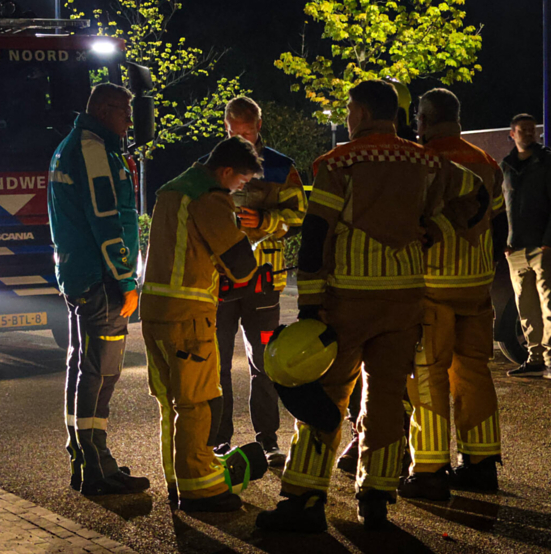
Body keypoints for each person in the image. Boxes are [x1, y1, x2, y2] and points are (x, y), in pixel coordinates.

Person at [256, 80, 487, 532]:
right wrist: (437, 228)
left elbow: (316, 236)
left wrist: (311, 304)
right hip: (404, 302)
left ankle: (305, 498)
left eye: (348, 109)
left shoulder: (339, 163)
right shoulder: (425, 161)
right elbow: (477, 195)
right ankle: (377, 495)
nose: (346, 116)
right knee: (384, 399)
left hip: (349, 302)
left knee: (323, 396)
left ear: (359, 112)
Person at [140, 136, 265, 513]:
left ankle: (177, 482)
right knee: (198, 403)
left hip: (155, 312)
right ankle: (201, 491)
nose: (239, 190)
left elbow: (186, 251)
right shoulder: (208, 197)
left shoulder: (170, 192)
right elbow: (239, 263)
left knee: (171, 405)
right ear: (225, 171)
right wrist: (254, 247)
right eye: (240, 182)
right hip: (188, 318)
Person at [400, 88, 507, 501]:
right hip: (476, 287)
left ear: (424, 121)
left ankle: (428, 469)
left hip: (432, 287)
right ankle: (481, 465)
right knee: (474, 374)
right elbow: (498, 223)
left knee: (427, 377)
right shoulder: (485, 161)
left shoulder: (423, 162)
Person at [47, 83, 149, 496]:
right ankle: (96, 467)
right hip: (102, 281)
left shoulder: (71, 146)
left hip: (80, 276)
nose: (129, 122)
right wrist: (127, 281)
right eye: (126, 113)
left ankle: (85, 458)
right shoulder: (92, 151)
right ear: (107, 110)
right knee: (100, 375)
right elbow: (108, 221)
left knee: (81, 371)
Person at [207, 97, 307, 466]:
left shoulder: (281, 167)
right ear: (225, 128)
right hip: (218, 283)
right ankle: (218, 441)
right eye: (234, 133)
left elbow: (298, 216)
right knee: (215, 367)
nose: (241, 139)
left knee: (264, 364)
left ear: (258, 127)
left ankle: (268, 441)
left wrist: (264, 223)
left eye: (247, 133)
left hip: (263, 282)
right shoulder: (209, 168)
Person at [500, 113, 551, 380]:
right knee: (526, 309)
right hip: (515, 249)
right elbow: (500, 207)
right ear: (512, 134)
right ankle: (534, 358)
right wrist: (505, 245)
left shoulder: (548, 162)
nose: (529, 134)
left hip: (543, 249)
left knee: (549, 306)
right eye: (523, 130)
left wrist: (550, 242)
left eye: (532, 130)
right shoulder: (506, 166)